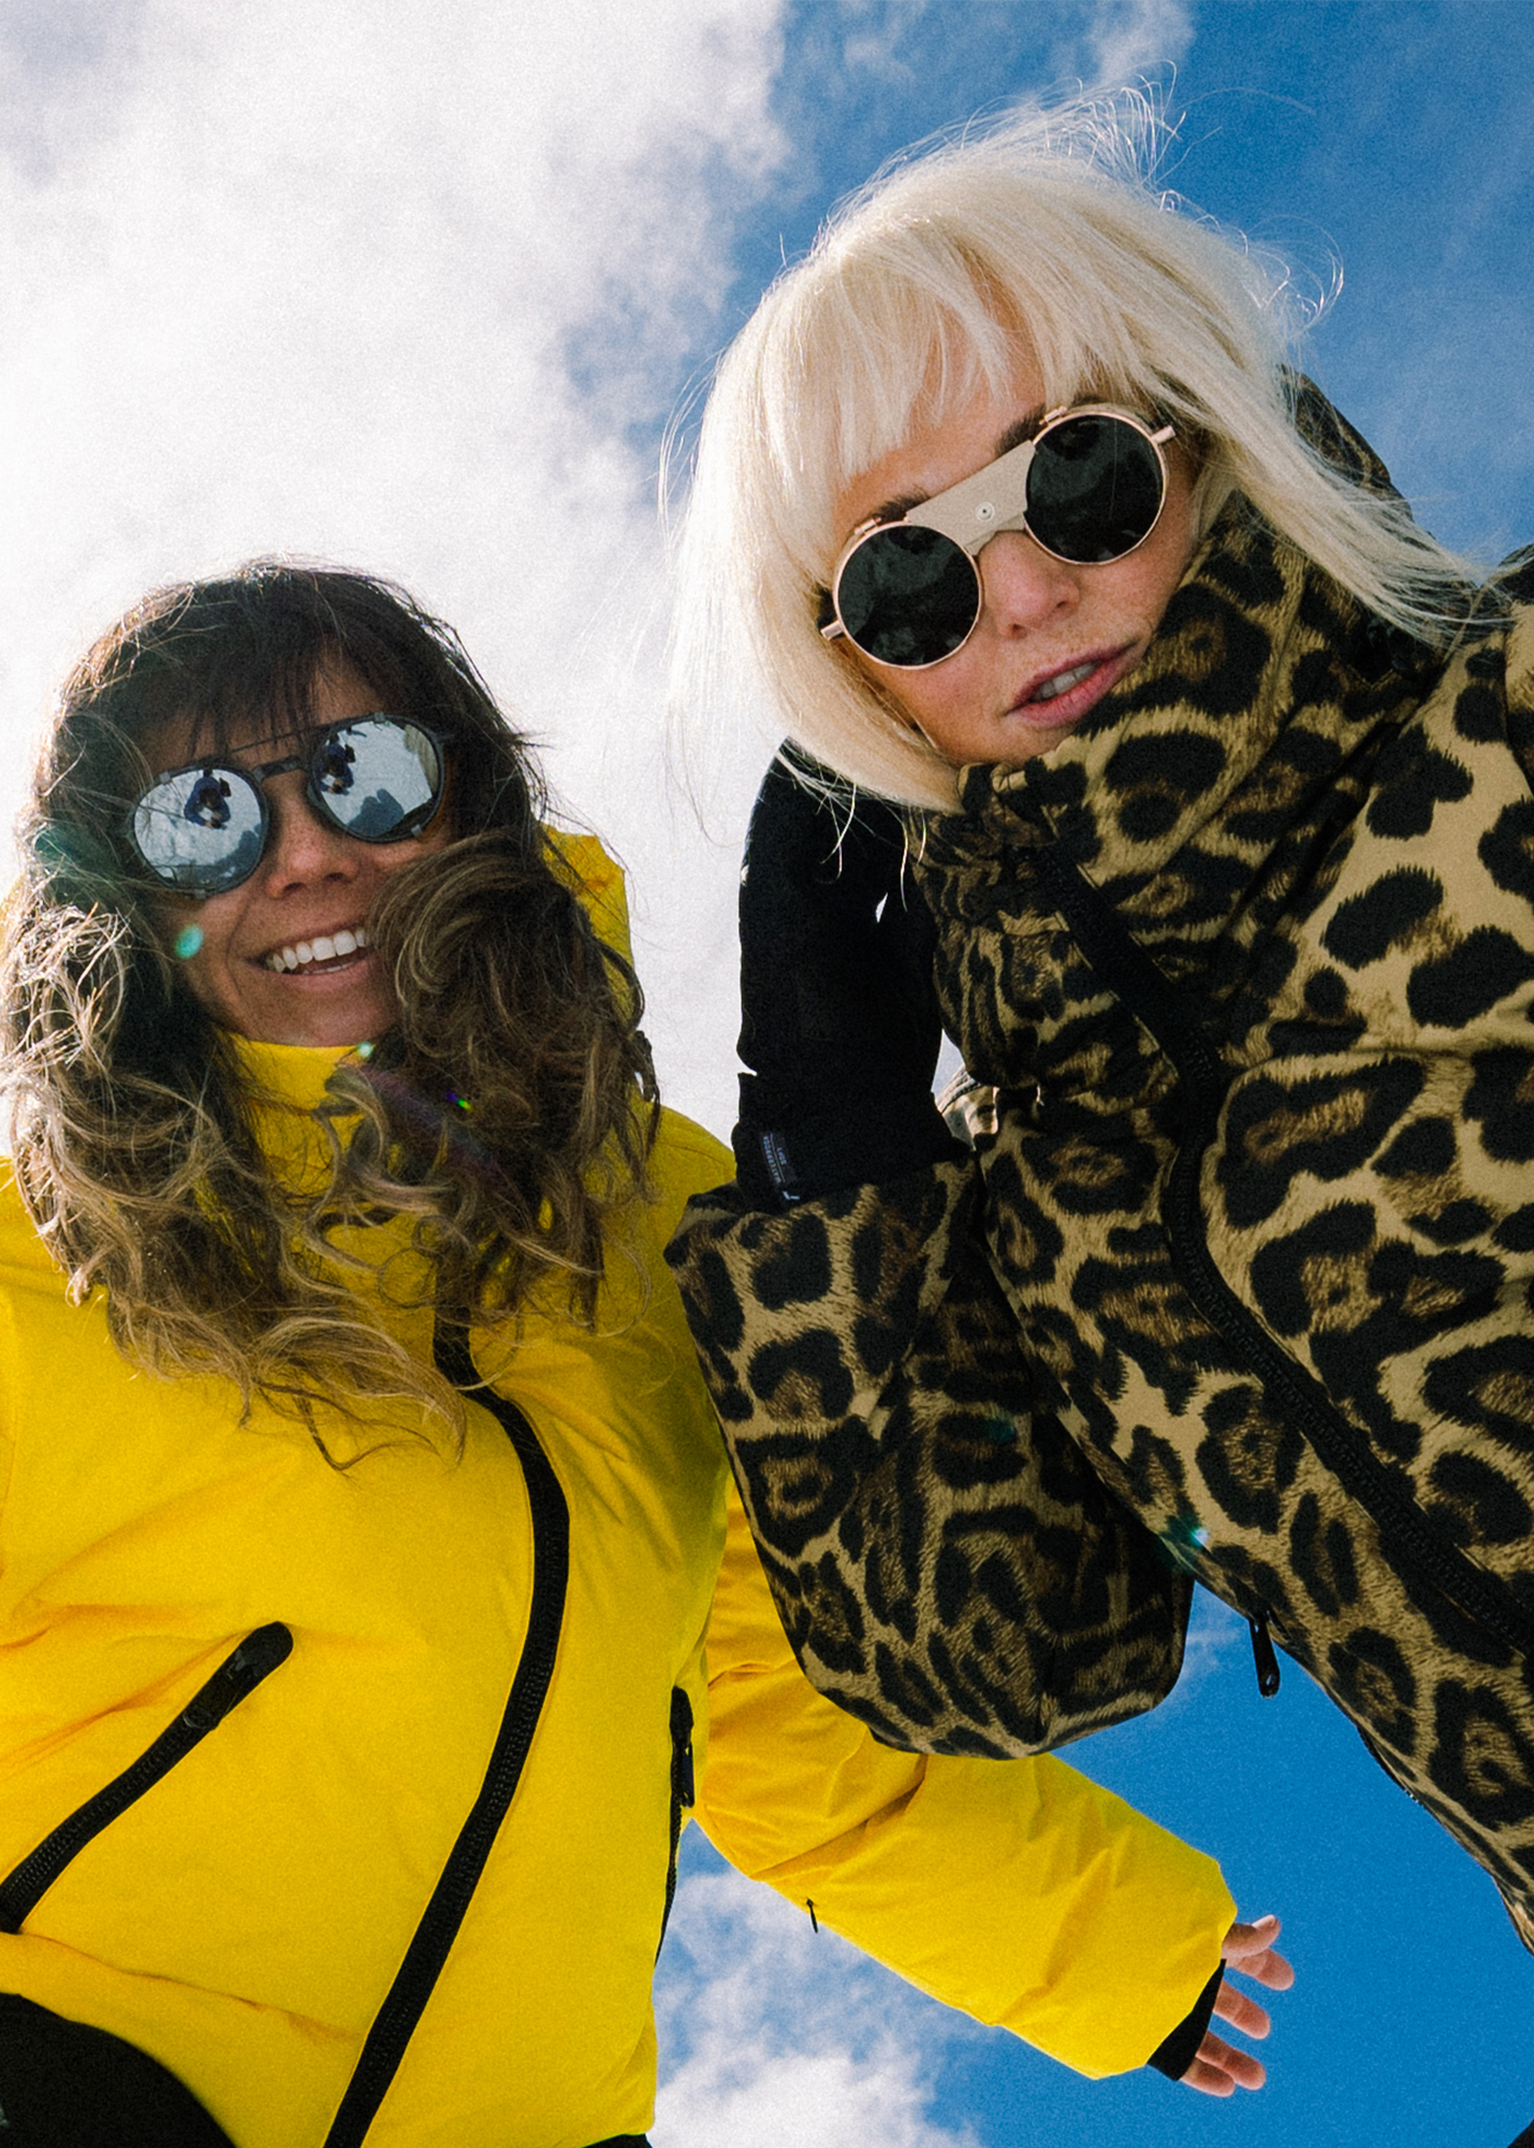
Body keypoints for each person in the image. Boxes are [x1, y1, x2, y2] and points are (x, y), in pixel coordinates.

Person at [0, 561, 1287, 2146]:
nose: (311, 856)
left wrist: (1100, 1942)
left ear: (467, 801)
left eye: (367, 774)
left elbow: (765, 1694)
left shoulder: (657, 1226)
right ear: (124, 899)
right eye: (204, 818)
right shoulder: (29, 1263)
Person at [664, 92, 1534, 1950]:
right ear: (843, 669)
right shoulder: (1041, 1201)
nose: (1023, 592)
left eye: (1072, 478)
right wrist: (840, 1145)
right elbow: (989, 1654)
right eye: (904, 573)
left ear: (1205, 439)